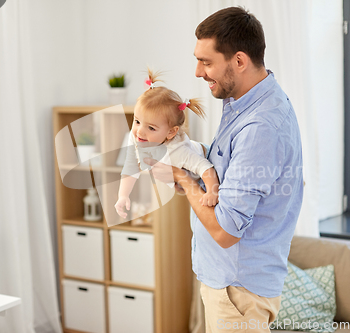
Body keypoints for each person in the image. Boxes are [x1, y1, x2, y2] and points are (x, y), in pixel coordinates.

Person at [147, 6, 303, 333]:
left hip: (237, 290)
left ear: (239, 61)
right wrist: (186, 154)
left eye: (206, 62)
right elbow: (231, 163)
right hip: (232, 286)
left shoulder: (260, 126)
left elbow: (225, 231)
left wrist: (181, 177)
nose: (197, 72)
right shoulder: (243, 101)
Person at [115, 69, 220, 219]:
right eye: (137, 121)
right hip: (178, 174)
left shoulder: (179, 152)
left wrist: (212, 192)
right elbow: (131, 166)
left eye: (151, 128)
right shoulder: (137, 137)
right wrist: (123, 195)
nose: (140, 132)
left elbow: (206, 168)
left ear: (171, 132)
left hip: (204, 165)